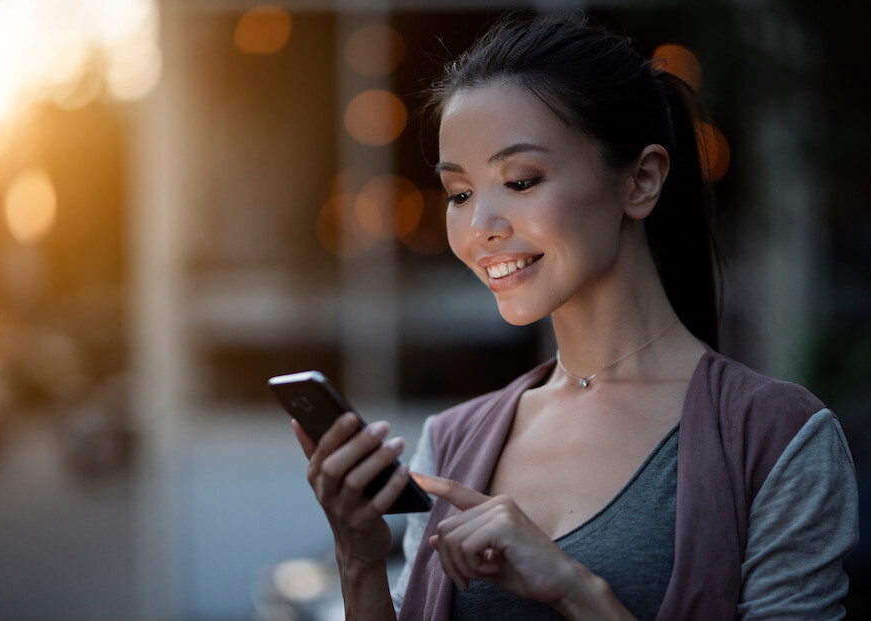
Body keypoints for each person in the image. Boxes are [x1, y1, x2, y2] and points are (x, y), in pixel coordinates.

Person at [290, 14, 859, 621]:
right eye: (459, 193)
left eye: (521, 180)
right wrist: (358, 561)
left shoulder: (776, 437)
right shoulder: (451, 443)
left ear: (640, 181)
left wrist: (574, 590)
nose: (481, 226)